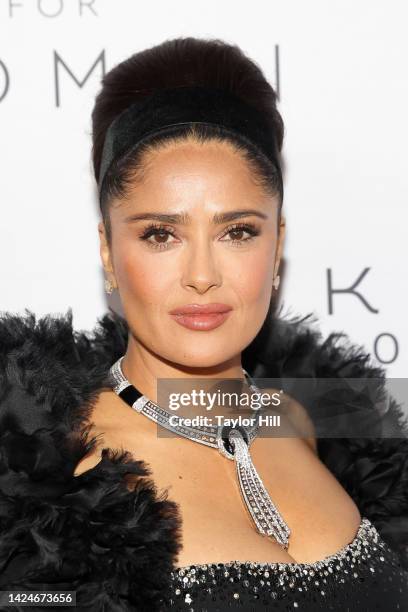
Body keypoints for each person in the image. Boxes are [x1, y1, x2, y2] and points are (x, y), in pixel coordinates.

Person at [0, 36, 407, 612]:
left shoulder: (309, 422)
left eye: (237, 231)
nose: (201, 275)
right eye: (160, 234)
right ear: (110, 253)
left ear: (278, 244)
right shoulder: (59, 474)